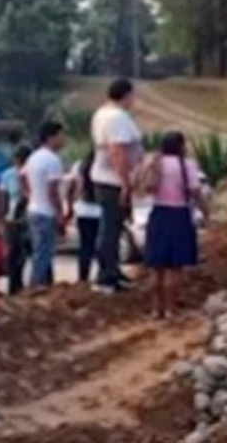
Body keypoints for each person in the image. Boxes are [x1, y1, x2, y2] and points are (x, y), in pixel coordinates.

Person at [144, 131, 208, 319]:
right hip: (179, 214)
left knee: (156, 266)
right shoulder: (186, 165)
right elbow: (195, 191)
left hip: (157, 213)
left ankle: (156, 309)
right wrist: (206, 212)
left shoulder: (154, 163)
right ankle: (172, 309)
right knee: (175, 267)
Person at [91, 78, 143, 294]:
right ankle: (106, 276)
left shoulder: (104, 114)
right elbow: (116, 151)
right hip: (112, 181)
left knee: (114, 226)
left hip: (109, 179)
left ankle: (112, 270)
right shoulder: (116, 117)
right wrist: (125, 181)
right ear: (127, 95)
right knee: (110, 229)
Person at [21, 122, 67, 288]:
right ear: (51, 137)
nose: (64, 139)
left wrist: (30, 194)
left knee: (38, 251)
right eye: (61, 135)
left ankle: (40, 284)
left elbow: (22, 176)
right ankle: (36, 285)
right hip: (46, 213)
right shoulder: (53, 160)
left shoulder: (34, 157)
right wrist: (60, 213)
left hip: (33, 209)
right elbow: (52, 191)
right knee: (44, 253)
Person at [0, 145, 31, 295]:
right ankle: (16, 285)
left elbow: (2, 198)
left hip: (17, 217)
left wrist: (1, 218)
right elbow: (3, 197)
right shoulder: (8, 175)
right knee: (16, 255)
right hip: (19, 217)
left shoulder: (8, 174)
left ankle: (16, 285)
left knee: (15, 254)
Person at [65, 152, 102, 284]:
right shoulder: (103, 164)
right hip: (101, 210)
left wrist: (70, 207)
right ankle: (102, 275)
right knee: (102, 246)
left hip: (83, 209)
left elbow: (70, 187)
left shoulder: (79, 165)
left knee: (85, 245)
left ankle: (83, 277)